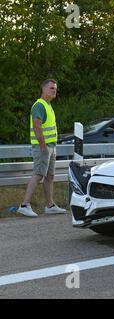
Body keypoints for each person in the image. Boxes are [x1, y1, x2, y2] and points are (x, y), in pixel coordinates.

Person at [18, 79, 67, 217]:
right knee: (39, 174)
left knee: (50, 176)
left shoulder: (48, 105)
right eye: (51, 88)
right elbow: (36, 126)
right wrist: (43, 145)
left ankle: (50, 205)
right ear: (43, 89)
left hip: (51, 146)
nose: (54, 91)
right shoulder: (39, 105)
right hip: (43, 147)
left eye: (55, 89)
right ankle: (24, 205)